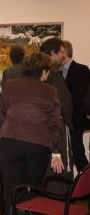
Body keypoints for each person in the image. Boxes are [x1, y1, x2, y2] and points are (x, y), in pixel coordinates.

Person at [0, 52, 64, 215]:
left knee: (12, 190)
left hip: (10, 142)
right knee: (32, 190)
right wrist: (56, 152)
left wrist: (9, 132)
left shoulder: (10, 86)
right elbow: (54, 124)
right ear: (43, 72)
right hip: (38, 145)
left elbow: (2, 115)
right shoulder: (50, 91)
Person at [40, 38, 73, 172]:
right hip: (56, 129)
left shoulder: (36, 73)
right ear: (52, 53)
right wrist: (69, 123)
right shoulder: (55, 74)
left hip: (39, 130)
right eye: (61, 52)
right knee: (59, 169)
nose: (63, 55)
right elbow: (65, 104)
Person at [62, 40, 90, 171]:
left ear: (64, 52)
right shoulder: (55, 73)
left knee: (77, 152)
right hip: (61, 122)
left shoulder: (82, 69)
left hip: (76, 120)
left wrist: (64, 99)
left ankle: (85, 183)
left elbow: (84, 94)